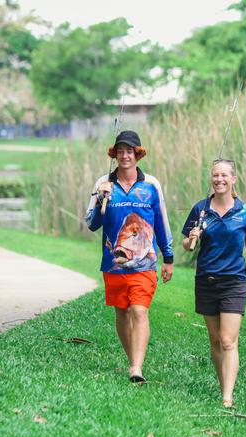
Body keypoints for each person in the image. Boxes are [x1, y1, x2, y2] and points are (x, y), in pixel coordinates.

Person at [85, 130, 174, 384]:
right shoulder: (103, 183)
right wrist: (101, 197)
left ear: (138, 154)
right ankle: (131, 358)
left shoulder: (151, 185)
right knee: (122, 313)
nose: (125, 156)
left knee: (139, 311)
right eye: (121, 151)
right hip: (113, 264)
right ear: (115, 155)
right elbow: (91, 224)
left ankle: (136, 368)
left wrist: (168, 257)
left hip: (145, 263)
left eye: (130, 151)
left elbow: (161, 221)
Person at [181, 158, 246, 407]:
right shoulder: (200, 209)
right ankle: (223, 383)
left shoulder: (245, 211)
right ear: (211, 178)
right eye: (216, 175)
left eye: (224, 175)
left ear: (233, 179)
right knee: (215, 339)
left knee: (228, 340)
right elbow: (186, 244)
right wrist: (192, 238)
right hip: (206, 279)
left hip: (234, 280)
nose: (219, 180)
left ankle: (227, 397)